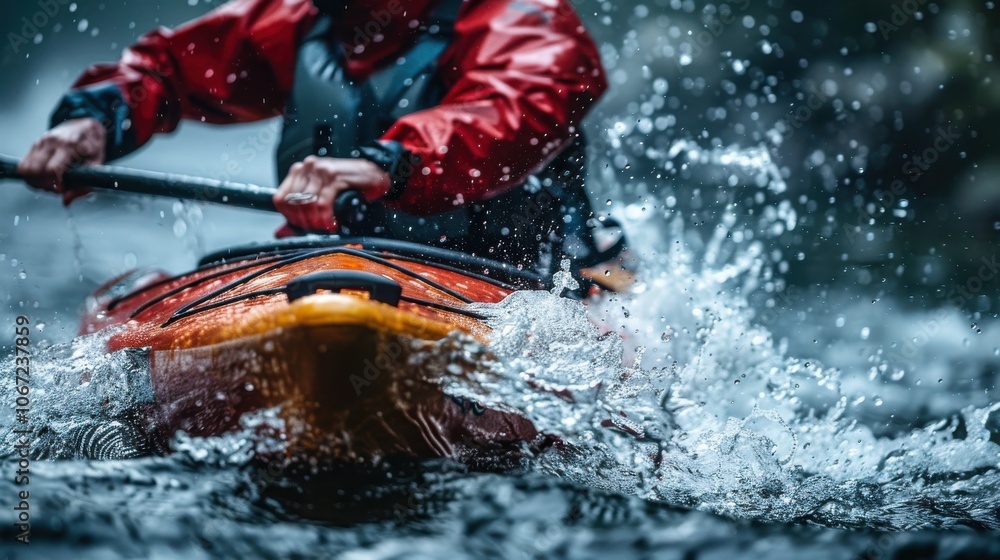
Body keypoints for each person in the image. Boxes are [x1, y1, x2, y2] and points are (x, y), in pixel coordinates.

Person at [17, 0, 626, 282]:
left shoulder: (526, 20)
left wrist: (389, 163)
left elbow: (519, 107)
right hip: (329, 268)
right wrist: (94, 121)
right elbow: (165, 70)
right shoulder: (301, 20)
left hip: (522, 282)